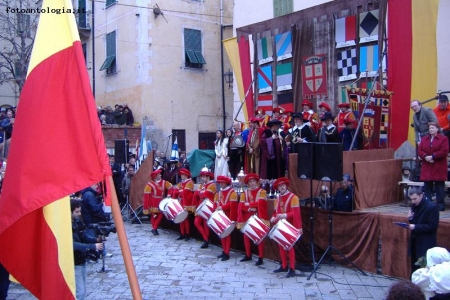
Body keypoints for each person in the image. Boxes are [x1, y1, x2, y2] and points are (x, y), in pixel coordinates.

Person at [270, 177, 302, 278]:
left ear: (286, 186)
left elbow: (296, 214)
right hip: (280, 225)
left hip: (290, 226)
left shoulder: (294, 198)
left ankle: (292, 268)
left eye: (283, 185)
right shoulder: (277, 199)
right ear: (277, 188)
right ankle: (284, 265)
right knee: (280, 245)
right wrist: (273, 217)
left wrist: (285, 215)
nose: (281, 187)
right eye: (279, 186)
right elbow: (276, 211)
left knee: (289, 246)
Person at [71, 199, 103, 300]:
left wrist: (95, 240)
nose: (79, 214)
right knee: (80, 292)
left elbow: (83, 236)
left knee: (83, 290)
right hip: (74, 262)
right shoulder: (67, 226)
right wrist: (93, 246)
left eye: (80, 211)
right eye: (77, 212)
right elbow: (72, 244)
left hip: (81, 260)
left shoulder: (77, 222)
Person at [237, 173, 268, 266]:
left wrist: (249, 204)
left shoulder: (262, 192)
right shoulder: (244, 193)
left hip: (258, 217)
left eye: (254, 181)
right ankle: (248, 254)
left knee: (259, 237)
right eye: (250, 182)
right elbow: (241, 205)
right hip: (248, 217)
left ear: (257, 182)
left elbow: (261, 203)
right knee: (246, 236)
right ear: (248, 183)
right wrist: (249, 208)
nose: (252, 183)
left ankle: (261, 257)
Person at [407, 187, 440, 274]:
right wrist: (410, 218)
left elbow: (433, 226)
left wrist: (416, 227)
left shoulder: (432, 207)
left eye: (415, 199)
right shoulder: (414, 206)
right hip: (415, 243)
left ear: (421, 195)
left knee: (423, 271)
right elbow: (415, 221)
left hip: (425, 244)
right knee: (414, 269)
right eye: (411, 199)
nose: (413, 201)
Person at [418, 122, 449, 211]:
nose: (431, 129)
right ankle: (428, 205)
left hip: (438, 166)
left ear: (437, 129)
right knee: (427, 187)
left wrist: (433, 156)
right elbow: (420, 150)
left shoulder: (444, 139)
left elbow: (444, 150)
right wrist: (425, 157)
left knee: (439, 187)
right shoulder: (424, 139)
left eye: (433, 128)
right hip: (427, 165)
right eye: (430, 128)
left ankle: (440, 206)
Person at [213, 175, 238, 261]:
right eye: (220, 183)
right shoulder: (218, 193)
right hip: (220, 216)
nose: (221, 184)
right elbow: (215, 203)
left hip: (228, 217)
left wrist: (222, 208)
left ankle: (227, 253)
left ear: (227, 183)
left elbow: (233, 206)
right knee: (222, 234)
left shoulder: (232, 192)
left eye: (223, 182)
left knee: (227, 235)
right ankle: (224, 251)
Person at [143, 169, 173, 235]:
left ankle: (154, 228)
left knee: (160, 215)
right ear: (156, 176)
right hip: (153, 201)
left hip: (161, 201)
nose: (160, 175)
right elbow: (146, 195)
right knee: (154, 215)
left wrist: (169, 194)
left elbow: (171, 188)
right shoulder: (150, 184)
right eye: (159, 174)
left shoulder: (164, 182)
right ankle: (154, 228)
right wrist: (147, 204)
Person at [193, 168, 216, 248]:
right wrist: (200, 192)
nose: (202, 178)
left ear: (208, 177)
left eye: (204, 177)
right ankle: (206, 238)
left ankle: (206, 240)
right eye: (202, 177)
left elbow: (205, 195)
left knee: (206, 223)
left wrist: (200, 192)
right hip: (201, 205)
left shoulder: (212, 185)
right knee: (197, 222)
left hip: (207, 206)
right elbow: (197, 194)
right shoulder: (203, 185)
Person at [171, 168, 195, 241]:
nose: (181, 176)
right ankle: (182, 233)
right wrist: (180, 191)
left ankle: (187, 233)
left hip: (186, 203)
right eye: (181, 175)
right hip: (180, 202)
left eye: (183, 175)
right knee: (181, 219)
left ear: (186, 175)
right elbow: (175, 191)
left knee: (185, 218)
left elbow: (186, 192)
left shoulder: (190, 182)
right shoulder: (181, 183)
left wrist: (180, 191)